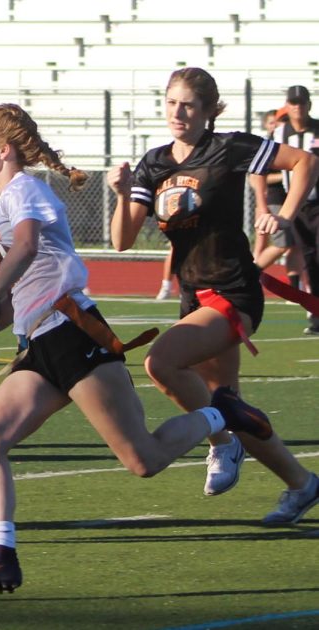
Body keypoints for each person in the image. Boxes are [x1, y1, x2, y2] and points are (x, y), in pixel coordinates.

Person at [0, 102, 274, 594]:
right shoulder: (0, 208)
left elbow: (29, 248)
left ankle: (223, 413)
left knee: (144, 460)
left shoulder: (24, 190)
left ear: (3, 150)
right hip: (40, 340)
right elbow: (24, 283)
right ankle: (0, 557)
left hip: (73, 334)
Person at [109, 68, 319, 523]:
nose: (177, 112)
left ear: (208, 110)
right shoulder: (155, 162)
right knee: (227, 402)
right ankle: (302, 484)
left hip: (233, 290)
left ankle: (222, 443)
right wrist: (124, 195)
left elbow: (304, 163)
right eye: (170, 103)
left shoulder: (229, 147)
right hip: (192, 293)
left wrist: (284, 215)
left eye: (187, 104)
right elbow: (122, 241)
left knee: (160, 363)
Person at [270, 86, 319, 335]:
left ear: (309, 105)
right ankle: (317, 314)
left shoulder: (318, 129)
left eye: (302, 103)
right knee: (309, 259)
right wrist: (260, 202)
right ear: (287, 106)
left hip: (317, 204)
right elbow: (260, 168)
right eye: (293, 103)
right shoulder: (279, 133)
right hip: (296, 206)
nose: (298, 107)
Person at [250, 107, 305, 294]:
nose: (279, 124)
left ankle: (295, 288)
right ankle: (247, 275)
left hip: (294, 202)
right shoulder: (268, 146)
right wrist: (288, 176)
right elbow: (256, 176)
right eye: (275, 122)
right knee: (281, 245)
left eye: (282, 121)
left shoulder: (294, 143)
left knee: (295, 246)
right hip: (276, 201)